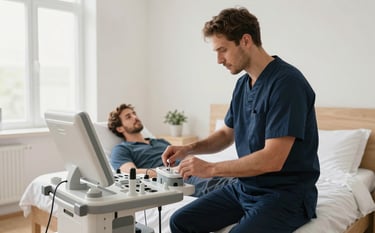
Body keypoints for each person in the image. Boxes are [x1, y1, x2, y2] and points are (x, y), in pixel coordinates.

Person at [161, 7, 320, 233]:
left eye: (222, 50)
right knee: (180, 221)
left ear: (246, 40)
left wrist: (211, 169)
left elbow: (272, 159)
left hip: (285, 195)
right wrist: (188, 148)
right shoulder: (243, 85)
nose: (219, 60)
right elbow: (227, 134)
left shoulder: (287, 84)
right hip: (245, 186)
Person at [107, 103, 235, 197]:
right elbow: (131, 173)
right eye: (128, 117)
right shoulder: (121, 149)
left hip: (191, 167)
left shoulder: (159, 141)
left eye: (134, 113)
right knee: (219, 185)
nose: (135, 117)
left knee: (233, 175)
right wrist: (169, 171)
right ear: (119, 128)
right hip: (176, 177)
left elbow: (182, 157)